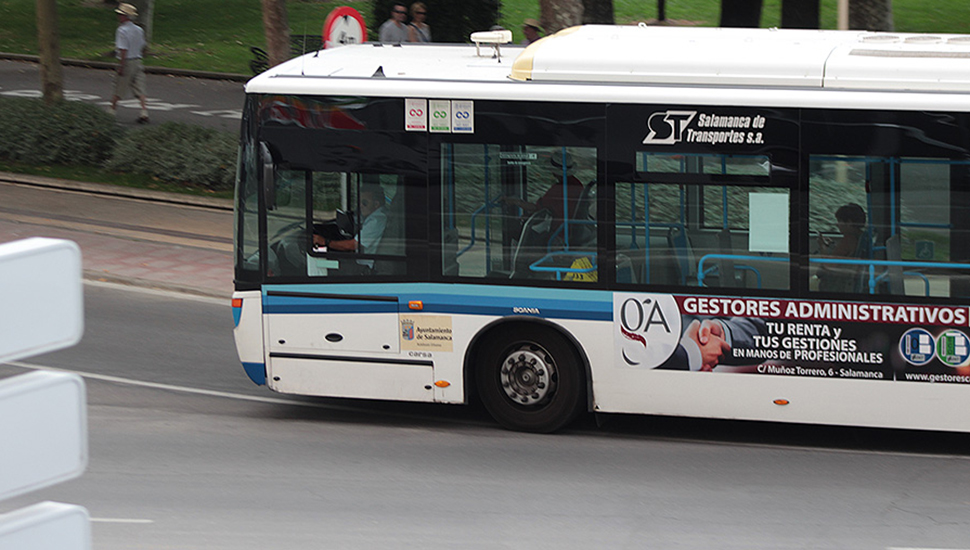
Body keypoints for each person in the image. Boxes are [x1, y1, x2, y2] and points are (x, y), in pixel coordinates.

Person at [314, 184, 388, 254]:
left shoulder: (377, 220)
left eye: (364, 203)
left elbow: (353, 245)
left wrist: (326, 242)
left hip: (364, 263)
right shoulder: (373, 214)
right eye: (359, 202)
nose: (360, 206)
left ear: (376, 204)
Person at [110, 3, 149, 123]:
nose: (119, 16)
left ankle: (112, 110)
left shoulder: (122, 30)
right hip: (137, 61)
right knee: (140, 87)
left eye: (120, 14)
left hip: (127, 61)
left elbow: (123, 49)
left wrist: (121, 66)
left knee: (120, 87)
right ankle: (144, 111)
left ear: (125, 16)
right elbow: (143, 45)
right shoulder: (139, 30)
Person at [816, 203, 869, 293]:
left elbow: (828, 265)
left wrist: (822, 247)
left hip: (839, 283)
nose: (837, 224)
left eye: (840, 221)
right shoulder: (861, 237)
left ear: (849, 222)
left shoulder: (848, 240)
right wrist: (832, 246)